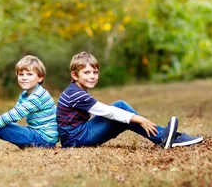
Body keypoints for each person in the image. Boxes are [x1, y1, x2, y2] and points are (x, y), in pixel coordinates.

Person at [57, 51, 203, 149]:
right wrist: (140, 119)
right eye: (86, 72)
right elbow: (108, 111)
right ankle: (163, 138)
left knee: (123, 115)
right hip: (75, 140)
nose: (92, 76)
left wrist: (133, 119)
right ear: (75, 75)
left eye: (95, 72)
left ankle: (166, 137)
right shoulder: (76, 95)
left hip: (77, 136)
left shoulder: (76, 91)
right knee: (120, 107)